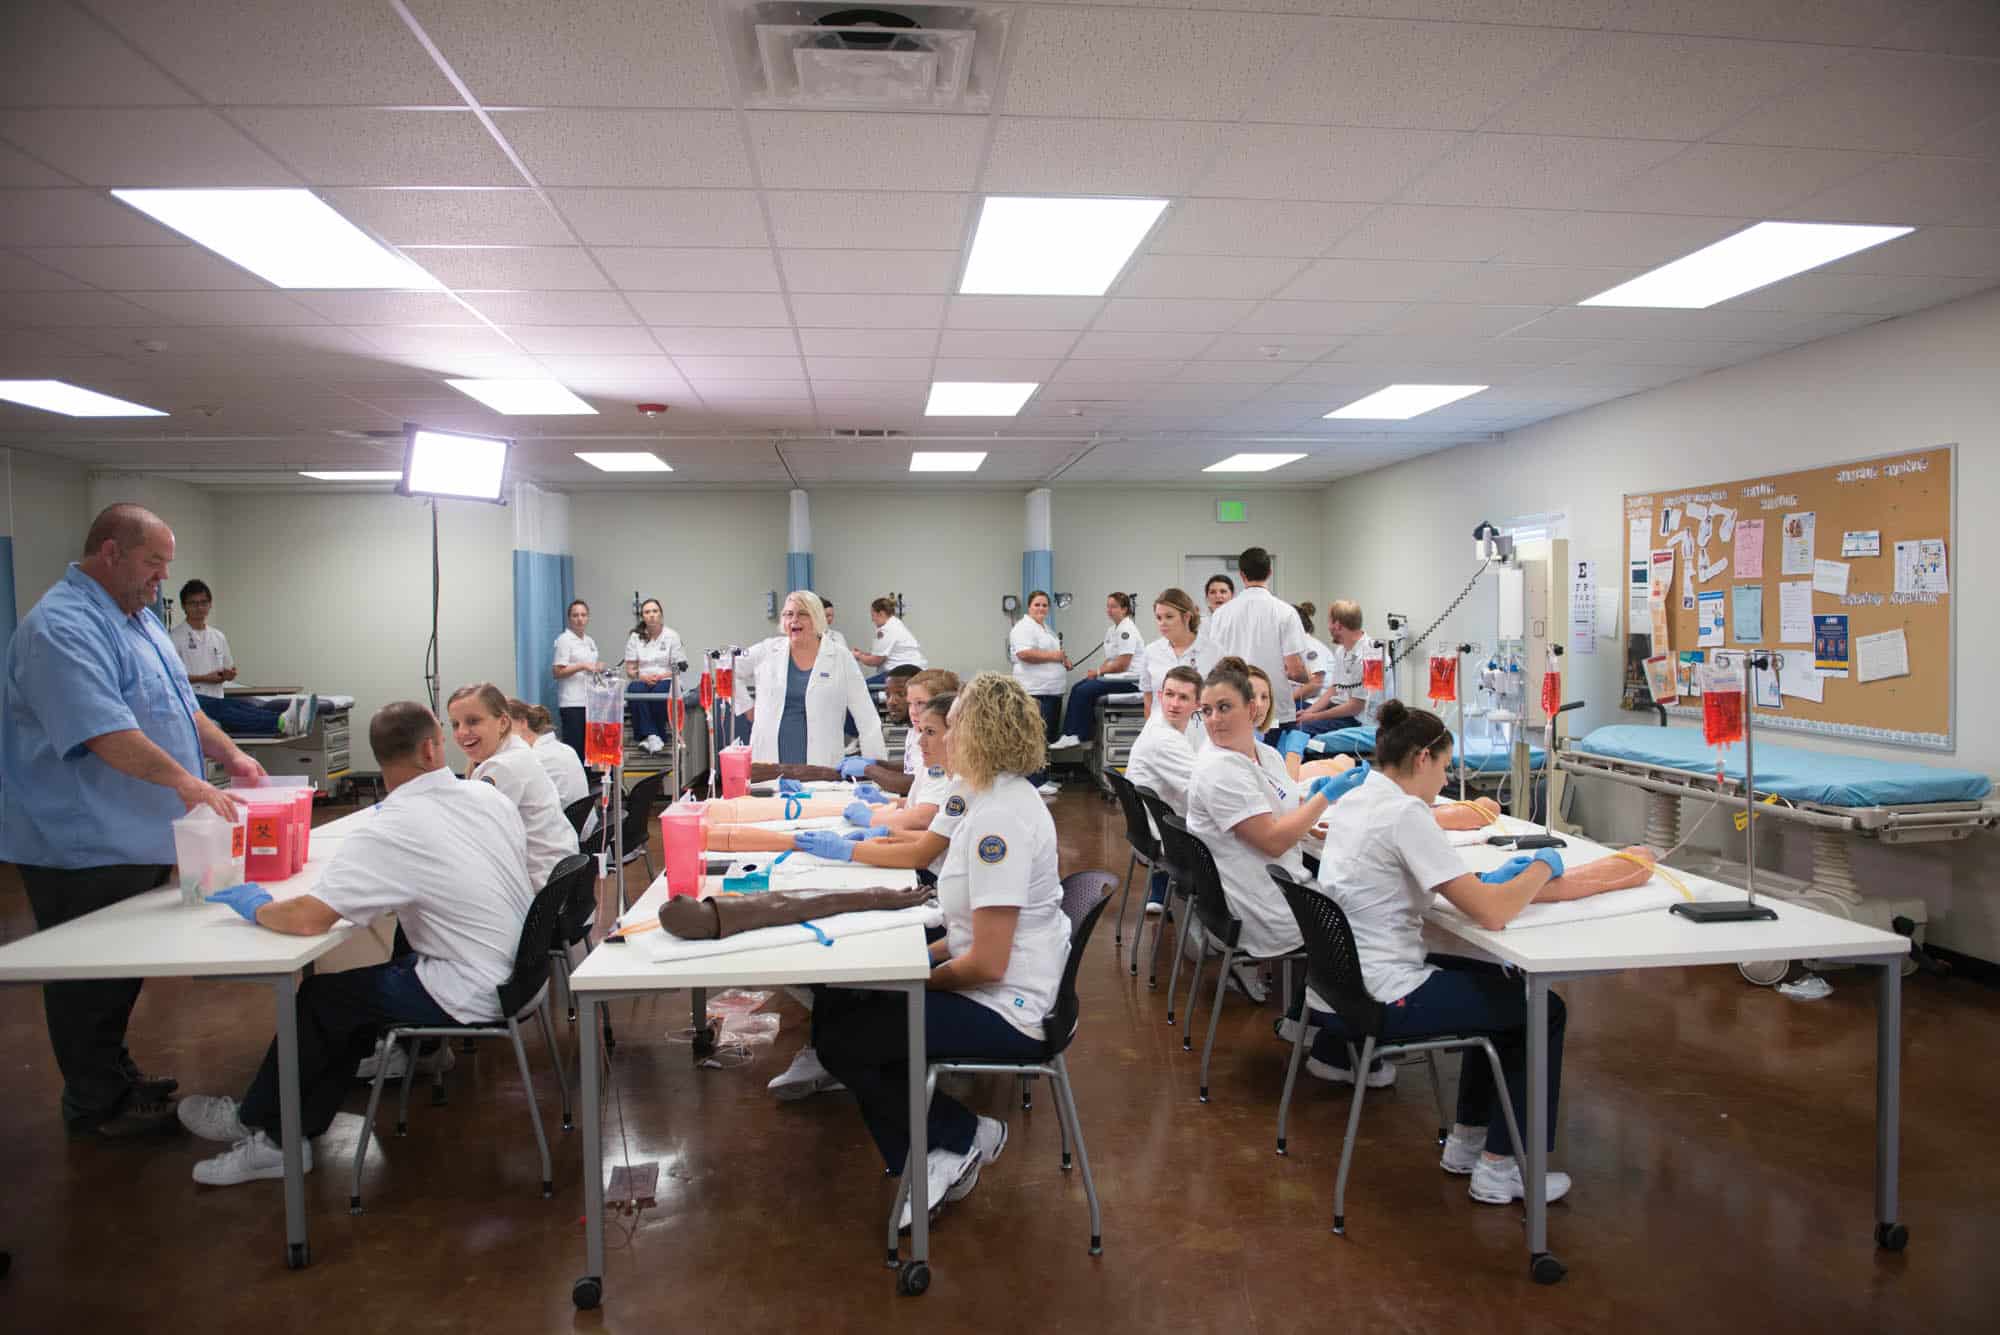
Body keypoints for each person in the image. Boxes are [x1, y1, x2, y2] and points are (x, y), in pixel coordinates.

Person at [174, 702, 536, 1186]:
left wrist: (257, 904)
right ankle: (285, 1127)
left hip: (474, 986)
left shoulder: (393, 827)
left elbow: (308, 920)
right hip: (522, 971)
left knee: (321, 1002)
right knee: (346, 1004)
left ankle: (267, 1131)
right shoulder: (488, 799)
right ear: (432, 748)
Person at [1311, 701, 1656, 1205]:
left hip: (1344, 985)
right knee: (1540, 1009)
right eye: (1446, 768)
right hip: (1380, 994)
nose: (1444, 781)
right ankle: (1504, 1168)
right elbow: (1492, 914)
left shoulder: (1362, 800)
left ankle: (1470, 1140)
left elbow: (1437, 884)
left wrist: (1486, 882)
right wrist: (1543, 867)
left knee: (1500, 985)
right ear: (1424, 757)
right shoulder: (1405, 813)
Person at [0, 504, 269, 1137]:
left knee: (119, 974)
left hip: (135, 833)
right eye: (154, 563)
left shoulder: (140, 621)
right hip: (78, 841)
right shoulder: (61, 629)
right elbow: (104, 731)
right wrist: (189, 783)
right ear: (109, 552)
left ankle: (114, 1076)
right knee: (85, 978)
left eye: (166, 566)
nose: (162, 579)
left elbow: (179, 705)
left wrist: (229, 753)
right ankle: (95, 1105)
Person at [813, 674, 1071, 1223]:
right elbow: (965, 934)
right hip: (999, 983)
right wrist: (894, 968)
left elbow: (986, 962)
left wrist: (906, 977)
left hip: (1008, 1007)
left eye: (948, 727)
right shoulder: (985, 796)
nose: (934, 736)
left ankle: (943, 1147)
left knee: (845, 1038)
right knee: (839, 1003)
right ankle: (954, 1138)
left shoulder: (999, 818)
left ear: (977, 735)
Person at [765, 692, 962, 1103]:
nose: (920, 739)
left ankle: (835, 1052)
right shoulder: (963, 785)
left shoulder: (969, 790)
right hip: (948, 908)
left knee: (843, 947)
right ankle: (828, 1046)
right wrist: (879, 831)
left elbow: (922, 849)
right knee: (834, 936)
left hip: (947, 914)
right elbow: (930, 837)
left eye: (930, 731)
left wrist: (856, 845)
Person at [1185, 659, 1362, 1007]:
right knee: (1366, 917)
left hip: (1278, 882)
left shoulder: (1263, 755)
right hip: (1265, 904)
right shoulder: (1219, 769)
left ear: (1253, 709)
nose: (1214, 719)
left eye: (1224, 708)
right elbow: (1273, 840)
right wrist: (1325, 798)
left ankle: (1310, 1019)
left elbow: (1284, 808)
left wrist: (1309, 803)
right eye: (1206, 711)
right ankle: (1330, 1033)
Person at [447, 682, 579, 888]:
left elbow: (474, 840)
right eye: (455, 724)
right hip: (555, 877)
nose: (462, 732)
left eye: (473, 721)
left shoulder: (502, 767)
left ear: (502, 723)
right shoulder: (517, 751)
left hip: (538, 886)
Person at [736, 590, 884, 767]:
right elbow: (727, 669)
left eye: (803, 614)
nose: (794, 620)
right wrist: (747, 707)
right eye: (788, 614)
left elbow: (867, 718)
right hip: (769, 762)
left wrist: (878, 773)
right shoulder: (766, 650)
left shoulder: (841, 658)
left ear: (817, 618)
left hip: (822, 764)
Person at [1125, 664, 1204, 917]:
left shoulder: (1159, 724)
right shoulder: (1164, 739)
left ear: (1197, 704)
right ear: (1159, 696)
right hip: (1165, 838)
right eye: (1169, 694)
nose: (1174, 703)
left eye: (1183, 697)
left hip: (1150, 832)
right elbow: (1202, 793)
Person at [1203, 547, 1307, 737]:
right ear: (1270, 573)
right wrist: (1306, 678)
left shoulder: (1221, 614)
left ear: (1241, 575)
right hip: (1275, 710)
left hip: (1234, 705)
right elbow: (1295, 669)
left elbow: (1215, 663)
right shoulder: (1286, 612)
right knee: (1278, 764)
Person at [1051, 592, 1145, 751]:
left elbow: (1122, 664)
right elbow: (1110, 660)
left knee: (1083, 691)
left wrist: (1098, 672)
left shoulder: (1126, 630)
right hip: (1117, 678)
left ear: (1124, 609)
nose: (1109, 610)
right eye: (1108, 606)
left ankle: (1078, 735)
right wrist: (1098, 673)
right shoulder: (1112, 630)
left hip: (1130, 681)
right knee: (1078, 687)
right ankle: (1075, 736)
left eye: (1114, 606)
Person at [1007, 591, 1067, 797]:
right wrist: (1055, 655)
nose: (1041, 609)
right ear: (1029, 607)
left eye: (1044, 605)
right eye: (1037, 605)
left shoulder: (1045, 628)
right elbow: (1024, 654)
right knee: (1034, 737)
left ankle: (1042, 776)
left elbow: (1053, 653)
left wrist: (1062, 659)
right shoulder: (1023, 628)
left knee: (1045, 737)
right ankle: (1034, 781)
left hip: (1051, 689)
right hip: (1035, 691)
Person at [1295, 599, 1382, 736]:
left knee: (1299, 731)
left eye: (1329, 622)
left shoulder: (1371, 657)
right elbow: (1334, 689)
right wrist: (1309, 712)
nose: (1328, 627)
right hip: (1339, 709)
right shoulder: (1342, 650)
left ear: (1337, 625)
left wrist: (1315, 717)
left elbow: (1356, 706)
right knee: (1290, 717)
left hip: (1358, 719)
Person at [1138, 587, 1216, 725]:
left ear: (1186, 617)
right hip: (1161, 731)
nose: (1162, 623)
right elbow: (1148, 699)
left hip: (1201, 732)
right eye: (1158, 617)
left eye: (1169, 617)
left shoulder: (1213, 652)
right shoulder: (1150, 652)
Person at [623, 598, 684, 756]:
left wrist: (661, 675)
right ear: (642, 616)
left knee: (661, 691)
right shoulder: (635, 638)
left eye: (655, 611)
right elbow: (630, 669)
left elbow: (680, 667)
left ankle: (648, 736)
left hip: (666, 678)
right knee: (634, 689)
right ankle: (654, 736)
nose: (651, 615)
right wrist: (641, 676)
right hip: (643, 679)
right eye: (647, 612)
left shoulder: (672, 636)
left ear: (661, 614)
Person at [507, 697, 588, 807]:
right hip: (582, 822)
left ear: (523, 723)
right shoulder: (565, 749)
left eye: (506, 724)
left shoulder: (534, 758)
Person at [551, 598, 604, 764]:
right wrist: (582, 666)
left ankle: (589, 784)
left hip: (590, 700)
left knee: (588, 749)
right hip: (572, 702)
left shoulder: (589, 641)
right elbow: (557, 671)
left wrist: (598, 667)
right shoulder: (564, 640)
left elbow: (591, 666)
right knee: (575, 747)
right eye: (575, 615)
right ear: (569, 618)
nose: (580, 619)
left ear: (588, 617)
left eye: (583, 615)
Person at [171, 578, 234, 698]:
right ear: (183, 606)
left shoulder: (218, 636)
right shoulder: (174, 638)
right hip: (192, 702)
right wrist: (204, 678)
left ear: (210, 604)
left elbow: (228, 668)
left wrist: (229, 675)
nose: (199, 607)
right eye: (193, 603)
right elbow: (172, 677)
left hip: (217, 698)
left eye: (204, 602)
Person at [854, 597, 926, 683]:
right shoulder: (896, 623)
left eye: (873, 615)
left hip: (901, 674)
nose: (872, 619)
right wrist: (862, 654)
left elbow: (876, 660)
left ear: (881, 614)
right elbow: (883, 654)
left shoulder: (887, 629)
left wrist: (858, 656)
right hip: (914, 671)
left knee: (863, 688)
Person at [1291, 601, 1332, 713]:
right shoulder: (1294, 647)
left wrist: (1286, 700)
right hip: (1304, 701)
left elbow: (1316, 684)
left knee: (1274, 720)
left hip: (1315, 702)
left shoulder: (1309, 646)